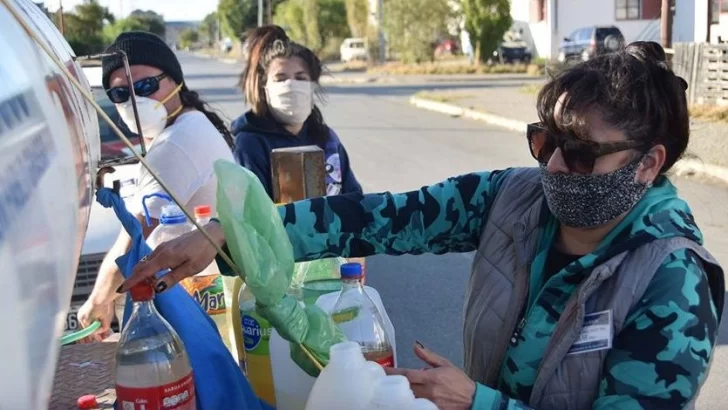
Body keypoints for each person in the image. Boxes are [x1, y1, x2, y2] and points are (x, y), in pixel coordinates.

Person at [122, 42, 724, 410]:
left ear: (648, 164)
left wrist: (478, 403)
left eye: (583, 155)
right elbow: (377, 218)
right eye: (546, 143)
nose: (557, 167)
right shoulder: (514, 197)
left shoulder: (671, 279)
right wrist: (228, 237)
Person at [77, 31, 235, 340]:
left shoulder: (177, 143)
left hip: (200, 304)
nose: (135, 100)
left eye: (146, 86)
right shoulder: (189, 127)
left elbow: (132, 242)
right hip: (199, 300)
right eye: (121, 95)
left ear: (175, 81)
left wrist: (98, 300)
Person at [232, 25, 362, 198]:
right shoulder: (250, 145)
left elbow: (355, 200)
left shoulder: (327, 140)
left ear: (312, 86)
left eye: (300, 78)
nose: (291, 85)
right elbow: (254, 216)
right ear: (265, 88)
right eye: (281, 78)